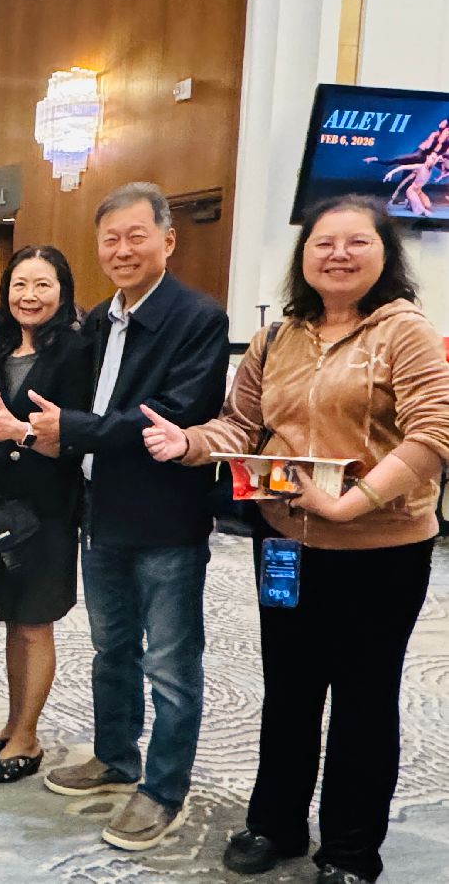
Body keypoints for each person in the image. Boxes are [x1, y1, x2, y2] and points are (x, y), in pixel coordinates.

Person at [142, 195, 449, 884]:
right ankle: (274, 824)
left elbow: (434, 434)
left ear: (385, 254)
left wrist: (350, 504)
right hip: (283, 543)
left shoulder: (404, 332)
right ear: (303, 256)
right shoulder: (278, 337)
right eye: (322, 243)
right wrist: (188, 442)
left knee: (363, 698)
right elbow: (240, 424)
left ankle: (349, 851)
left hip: (380, 550)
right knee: (289, 688)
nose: (337, 254)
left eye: (356, 242)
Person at [32, 183, 229, 851]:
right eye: (110, 239)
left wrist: (72, 428)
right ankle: (115, 756)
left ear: (168, 240)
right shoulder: (99, 318)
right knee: (111, 648)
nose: (122, 250)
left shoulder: (198, 318)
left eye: (135, 236)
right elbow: (83, 405)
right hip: (103, 512)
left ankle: (164, 788)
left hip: (167, 517)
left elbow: (167, 414)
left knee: (170, 662)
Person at [0, 245, 92, 783]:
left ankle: (27, 739)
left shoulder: (76, 351)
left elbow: (78, 437)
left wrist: (20, 433)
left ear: (63, 291)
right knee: (14, 623)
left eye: (43, 285)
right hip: (1, 509)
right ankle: (11, 726)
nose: (30, 296)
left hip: (48, 510)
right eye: (20, 284)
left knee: (36, 625)